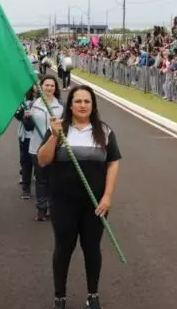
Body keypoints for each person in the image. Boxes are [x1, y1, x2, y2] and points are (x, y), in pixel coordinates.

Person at [38, 85, 122, 309]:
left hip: (95, 204)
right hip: (63, 203)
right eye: (78, 101)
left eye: (87, 101)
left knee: (92, 249)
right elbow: (43, 160)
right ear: (70, 105)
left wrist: (107, 196)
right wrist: (54, 137)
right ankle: (60, 297)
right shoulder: (59, 128)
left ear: (92, 105)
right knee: (63, 249)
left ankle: (93, 295)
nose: (83, 105)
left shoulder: (104, 131)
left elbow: (113, 163)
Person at [28, 76, 64, 221]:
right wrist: (26, 118)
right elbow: (28, 128)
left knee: (54, 180)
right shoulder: (33, 104)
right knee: (41, 180)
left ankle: (53, 207)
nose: (49, 88)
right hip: (36, 148)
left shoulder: (61, 106)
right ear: (41, 87)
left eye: (52, 85)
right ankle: (41, 209)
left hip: (56, 149)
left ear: (55, 88)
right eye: (46, 85)